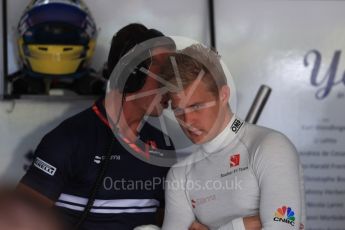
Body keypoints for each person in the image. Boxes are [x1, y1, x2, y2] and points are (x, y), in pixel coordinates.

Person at [17, 23, 176, 230]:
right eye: (163, 74)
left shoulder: (163, 145)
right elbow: (17, 221)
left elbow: (169, 222)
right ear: (131, 75)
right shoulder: (69, 138)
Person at [160, 44, 305, 230]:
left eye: (196, 106)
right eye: (179, 110)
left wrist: (232, 227)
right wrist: (246, 224)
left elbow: (285, 226)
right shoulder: (179, 174)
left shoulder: (271, 146)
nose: (187, 120)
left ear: (223, 95)